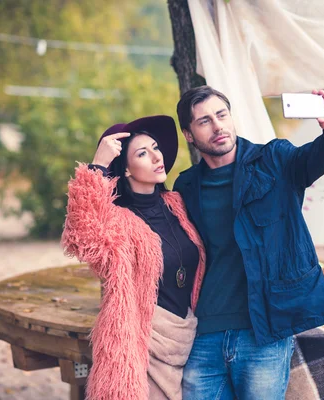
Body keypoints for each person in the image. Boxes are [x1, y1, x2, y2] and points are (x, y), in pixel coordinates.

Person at [173, 86, 324, 399]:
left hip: (263, 333)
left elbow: (320, 156)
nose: (218, 126)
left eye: (221, 115)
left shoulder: (275, 160)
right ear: (189, 134)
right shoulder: (186, 185)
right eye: (204, 121)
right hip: (204, 334)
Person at [61, 115, 206, 400]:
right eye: (142, 153)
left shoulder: (176, 204)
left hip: (188, 338)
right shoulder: (117, 221)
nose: (156, 156)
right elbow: (81, 236)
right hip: (143, 346)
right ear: (126, 170)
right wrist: (99, 165)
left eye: (155, 148)